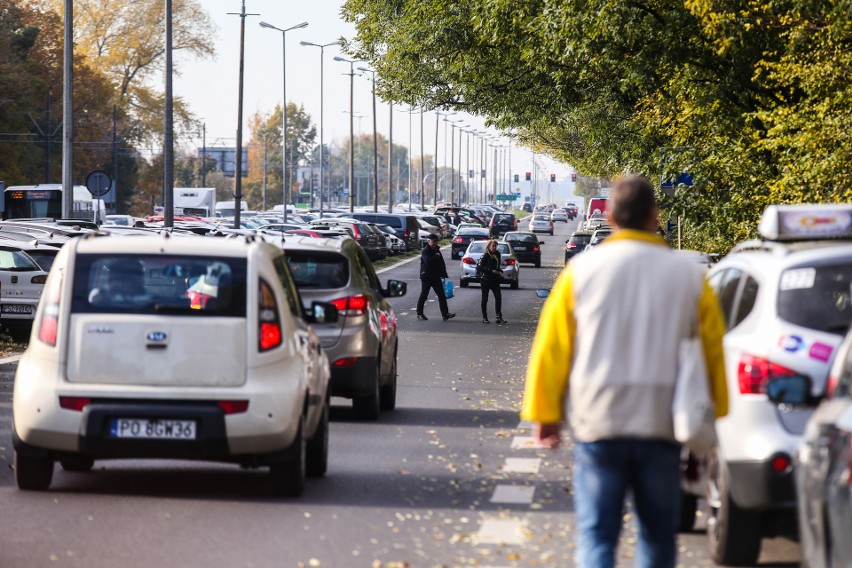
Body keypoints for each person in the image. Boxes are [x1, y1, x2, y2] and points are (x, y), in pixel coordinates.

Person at [520, 175, 728, 568]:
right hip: (662, 424)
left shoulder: (582, 272)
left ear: (611, 216)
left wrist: (545, 415)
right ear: (654, 215)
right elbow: (712, 351)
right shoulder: (689, 275)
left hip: (599, 422)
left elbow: (552, 347)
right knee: (656, 534)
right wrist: (714, 421)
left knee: (597, 534)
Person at [416, 233, 455, 321]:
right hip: (427, 276)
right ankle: (419, 313)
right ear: (429, 241)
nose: (435, 243)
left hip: (436, 276)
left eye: (436, 241)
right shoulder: (426, 251)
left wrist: (443, 274)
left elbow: (440, 263)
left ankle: (445, 314)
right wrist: (435, 256)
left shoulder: (436, 249)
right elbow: (428, 262)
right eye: (433, 241)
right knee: (424, 295)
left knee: (441, 295)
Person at [477, 239, 505, 324]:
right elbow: (479, 267)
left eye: (495, 246)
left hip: (495, 279)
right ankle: (484, 317)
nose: (494, 248)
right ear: (489, 247)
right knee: (485, 298)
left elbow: (497, 266)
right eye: (493, 246)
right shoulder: (485, 255)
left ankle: (498, 316)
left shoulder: (497, 254)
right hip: (486, 279)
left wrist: (500, 271)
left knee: (498, 297)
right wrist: (490, 270)